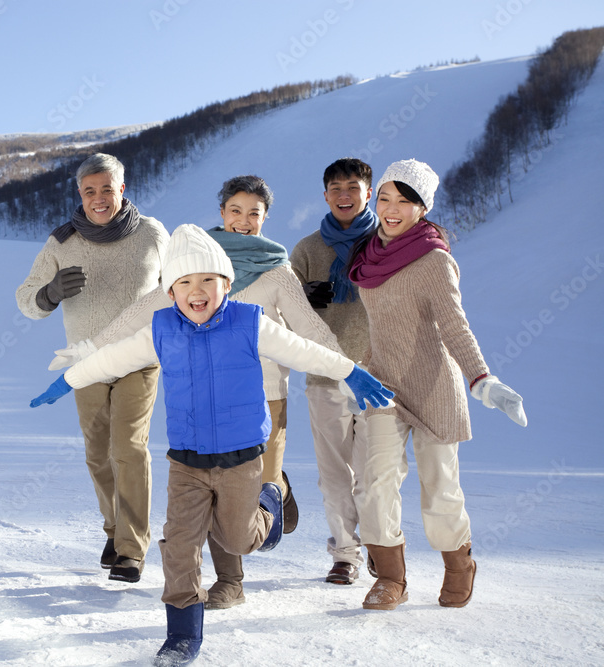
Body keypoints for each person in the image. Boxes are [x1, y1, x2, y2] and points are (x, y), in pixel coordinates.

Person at [32, 224, 394, 665]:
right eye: (183, 282)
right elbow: (113, 358)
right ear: (170, 290)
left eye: (207, 280)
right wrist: (68, 380)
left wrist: (349, 370)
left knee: (239, 539)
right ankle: (182, 635)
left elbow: (304, 351)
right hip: (185, 461)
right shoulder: (161, 328)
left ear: (227, 283)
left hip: (242, 460)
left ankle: (270, 501)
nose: (196, 291)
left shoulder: (249, 323)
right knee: (180, 543)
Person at [51, 175, 345, 609]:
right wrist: (89, 348)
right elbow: (140, 314)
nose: (243, 221)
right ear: (222, 212)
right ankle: (230, 582)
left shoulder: (277, 269)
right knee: (206, 491)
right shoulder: (193, 263)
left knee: (243, 508)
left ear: (265, 218)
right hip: (205, 397)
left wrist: (348, 368)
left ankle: (273, 492)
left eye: (254, 214)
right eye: (235, 211)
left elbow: (309, 328)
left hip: (265, 393)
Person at [347, 158, 527, 610]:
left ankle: (458, 564)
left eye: (404, 201)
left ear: (421, 209)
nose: (391, 209)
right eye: (385, 197)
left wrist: (482, 378)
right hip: (383, 383)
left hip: (434, 386)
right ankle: (390, 577)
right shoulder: (368, 253)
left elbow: (454, 325)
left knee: (440, 485)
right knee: (375, 480)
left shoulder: (433, 259)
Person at [15, 153, 170, 583]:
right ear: (79, 195)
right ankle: (114, 528)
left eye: (107, 189)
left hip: (140, 360)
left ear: (123, 189)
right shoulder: (61, 243)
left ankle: (131, 550)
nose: (99, 199)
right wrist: (48, 293)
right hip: (86, 364)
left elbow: (178, 287)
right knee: (98, 454)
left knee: (129, 449)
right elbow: (25, 299)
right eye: (89, 191)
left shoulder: (153, 234)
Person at [289, 157, 377, 585]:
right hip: (324, 375)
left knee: (375, 471)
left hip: (380, 376)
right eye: (336, 189)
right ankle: (345, 553)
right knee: (335, 473)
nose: (345, 196)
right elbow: (282, 317)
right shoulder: (307, 250)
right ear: (325, 196)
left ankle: (381, 544)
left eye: (353, 188)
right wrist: (304, 295)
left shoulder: (387, 242)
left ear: (368, 193)